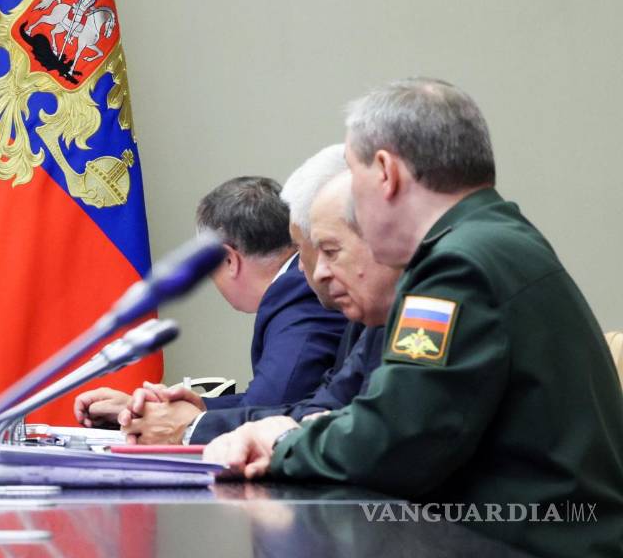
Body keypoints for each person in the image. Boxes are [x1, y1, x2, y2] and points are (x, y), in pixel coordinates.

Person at [205, 79, 623, 558]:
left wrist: (283, 442)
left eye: (353, 179)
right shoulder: (498, 238)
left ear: (385, 173)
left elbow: (395, 442)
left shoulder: (456, 267)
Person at [123, 169, 397, 445]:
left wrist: (189, 425)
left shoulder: (299, 293)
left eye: (330, 250)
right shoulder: (300, 289)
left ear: (229, 260)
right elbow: (319, 402)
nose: (312, 269)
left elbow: (276, 406)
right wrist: (192, 410)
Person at [74, 176, 346, 428]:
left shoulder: (298, 292)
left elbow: (266, 411)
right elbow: (274, 402)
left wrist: (182, 422)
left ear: (228, 260)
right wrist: (183, 407)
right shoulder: (292, 289)